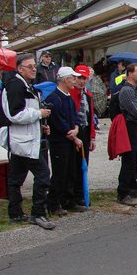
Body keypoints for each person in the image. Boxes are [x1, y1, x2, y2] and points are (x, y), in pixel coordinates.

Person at [1, 53, 55, 229]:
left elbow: (25, 112)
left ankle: (15, 213)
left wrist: (40, 125)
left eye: (34, 66)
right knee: (43, 175)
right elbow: (15, 115)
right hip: (23, 141)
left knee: (15, 178)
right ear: (19, 68)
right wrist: (39, 114)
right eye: (30, 66)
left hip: (28, 138)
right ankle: (37, 213)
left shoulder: (25, 85)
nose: (34, 69)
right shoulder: (15, 86)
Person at [45, 66, 84, 216]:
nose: (75, 81)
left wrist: (76, 129)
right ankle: (53, 204)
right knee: (59, 173)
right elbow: (58, 122)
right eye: (73, 78)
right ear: (66, 79)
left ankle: (68, 200)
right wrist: (73, 135)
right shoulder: (54, 98)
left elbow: (74, 117)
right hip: (59, 141)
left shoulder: (68, 97)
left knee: (71, 171)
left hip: (70, 139)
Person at [116, 63, 137, 205]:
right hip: (130, 126)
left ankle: (132, 185)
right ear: (130, 74)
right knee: (129, 160)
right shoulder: (126, 91)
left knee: (135, 158)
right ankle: (123, 192)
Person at [69, 65, 96, 207]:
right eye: (79, 78)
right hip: (73, 132)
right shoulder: (71, 93)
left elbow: (91, 117)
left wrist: (92, 137)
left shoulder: (88, 95)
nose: (81, 81)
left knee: (83, 164)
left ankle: (81, 194)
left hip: (84, 131)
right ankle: (72, 195)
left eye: (84, 78)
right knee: (72, 165)